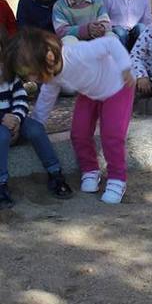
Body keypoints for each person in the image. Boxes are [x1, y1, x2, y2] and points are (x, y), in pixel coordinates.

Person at [5, 27, 135, 205]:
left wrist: (125, 67)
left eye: (32, 73)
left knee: (112, 134)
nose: (31, 79)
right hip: (90, 93)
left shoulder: (77, 53)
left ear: (49, 57)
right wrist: (35, 125)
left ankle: (117, 178)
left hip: (118, 87)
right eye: (26, 75)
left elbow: (110, 43)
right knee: (79, 133)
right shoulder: (51, 77)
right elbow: (45, 99)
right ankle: (90, 169)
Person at [0, 28, 72, 208]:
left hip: (14, 120)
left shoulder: (8, 75)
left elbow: (21, 98)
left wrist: (16, 118)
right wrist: (3, 119)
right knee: (1, 136)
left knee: (35, 128)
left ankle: (55, 172)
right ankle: (1, 183)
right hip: (2, 125)